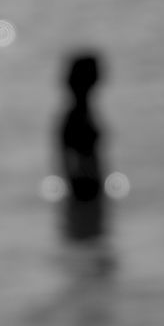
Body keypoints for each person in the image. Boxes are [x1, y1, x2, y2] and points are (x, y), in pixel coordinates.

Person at [58, 51, 108, 243]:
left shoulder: (81, 113)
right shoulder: (75, 116)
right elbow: (66, 159)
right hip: (84, 190)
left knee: (90, 237)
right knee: (89, 238)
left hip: (85, 189)